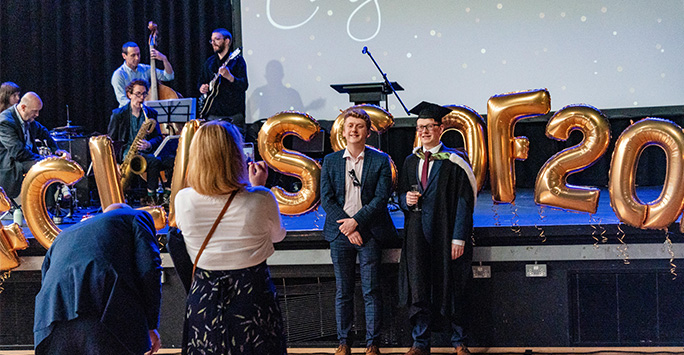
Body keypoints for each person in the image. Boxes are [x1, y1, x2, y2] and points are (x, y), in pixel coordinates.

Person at [174, 120, 286, 354]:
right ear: (236, 155)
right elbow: (277, 236)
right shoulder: (261, 198)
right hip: (252, 296)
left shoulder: (183, 199)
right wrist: (258, 187)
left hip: (205, 297)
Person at [397, 102, 478, 355]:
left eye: (429, 126)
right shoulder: (411, 161)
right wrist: (405, 201)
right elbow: (400, 195)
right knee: (418, 286)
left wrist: (459, 238)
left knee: (452, 285)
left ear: (440, 128)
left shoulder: (455, 161)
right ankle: (420, 342)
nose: (424, 131)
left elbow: (465, 202)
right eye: (420, 127)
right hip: (416, 233)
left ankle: (458, 341)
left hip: (446, 233)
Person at [33, 203, 162, 355]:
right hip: (105, 312)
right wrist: (151, 324)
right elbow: (149, 268)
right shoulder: (135, 216)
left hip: (51, 319)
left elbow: (45, 276)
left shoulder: (64, 235)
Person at [320, 108, 397, 355]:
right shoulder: (331, 161)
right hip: (340, 233)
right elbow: (326, 199)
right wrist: (347, 225)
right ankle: (344, 342)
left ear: (368, 131)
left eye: (359, 126)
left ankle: (372, 343)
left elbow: (380, 198)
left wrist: (357, 223)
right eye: (349, 126)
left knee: (371, 289)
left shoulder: (380, 160)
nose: (354, 130)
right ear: (343, 131)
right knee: (343, 290)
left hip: (369, 232)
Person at [108, 79, 174, 206]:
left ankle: (160, 195)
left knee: (168, 159)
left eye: (144, 94)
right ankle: (150, 196)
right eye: (138, 94)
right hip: (127, 153)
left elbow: (158, 137)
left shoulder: (151, 113)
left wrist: (149, 144)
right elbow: (112, 141)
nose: (141, 98)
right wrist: (115, 163)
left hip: (147, 152)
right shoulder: (118, 114)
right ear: (129, 94)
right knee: (153, 161)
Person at [0, 92, 70, 199]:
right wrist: (44, 159)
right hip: (12, 164)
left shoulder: (27, 118)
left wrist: (56, 149)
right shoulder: (5, 122)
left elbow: (43, 132)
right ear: (23, 107)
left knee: (51, 165)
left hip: (24, 158)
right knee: (45, 168)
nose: (37, 115)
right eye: (35, 111)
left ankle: (53, 203)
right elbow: (18, 152)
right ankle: (47, 207)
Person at [198, 28, 248, 130]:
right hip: (212, 116)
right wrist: (201, 88)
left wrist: (230, 77)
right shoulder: (209, 62)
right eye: (212, 40)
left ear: (227, 41)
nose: (213, 43)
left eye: (217, 39)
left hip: (233, 116)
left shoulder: (237, 61)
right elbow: (201, 81)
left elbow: (244, 85)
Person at [112, 42, 175, 107]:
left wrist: (164, 59)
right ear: (124, 56)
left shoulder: (145, 69)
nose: (137, 58)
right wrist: (141, 107)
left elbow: (168, 76)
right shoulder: (118, 75)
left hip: (145, 109)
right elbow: (123, 100)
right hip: (128, 113)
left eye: (138, 54)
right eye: (133, 55)